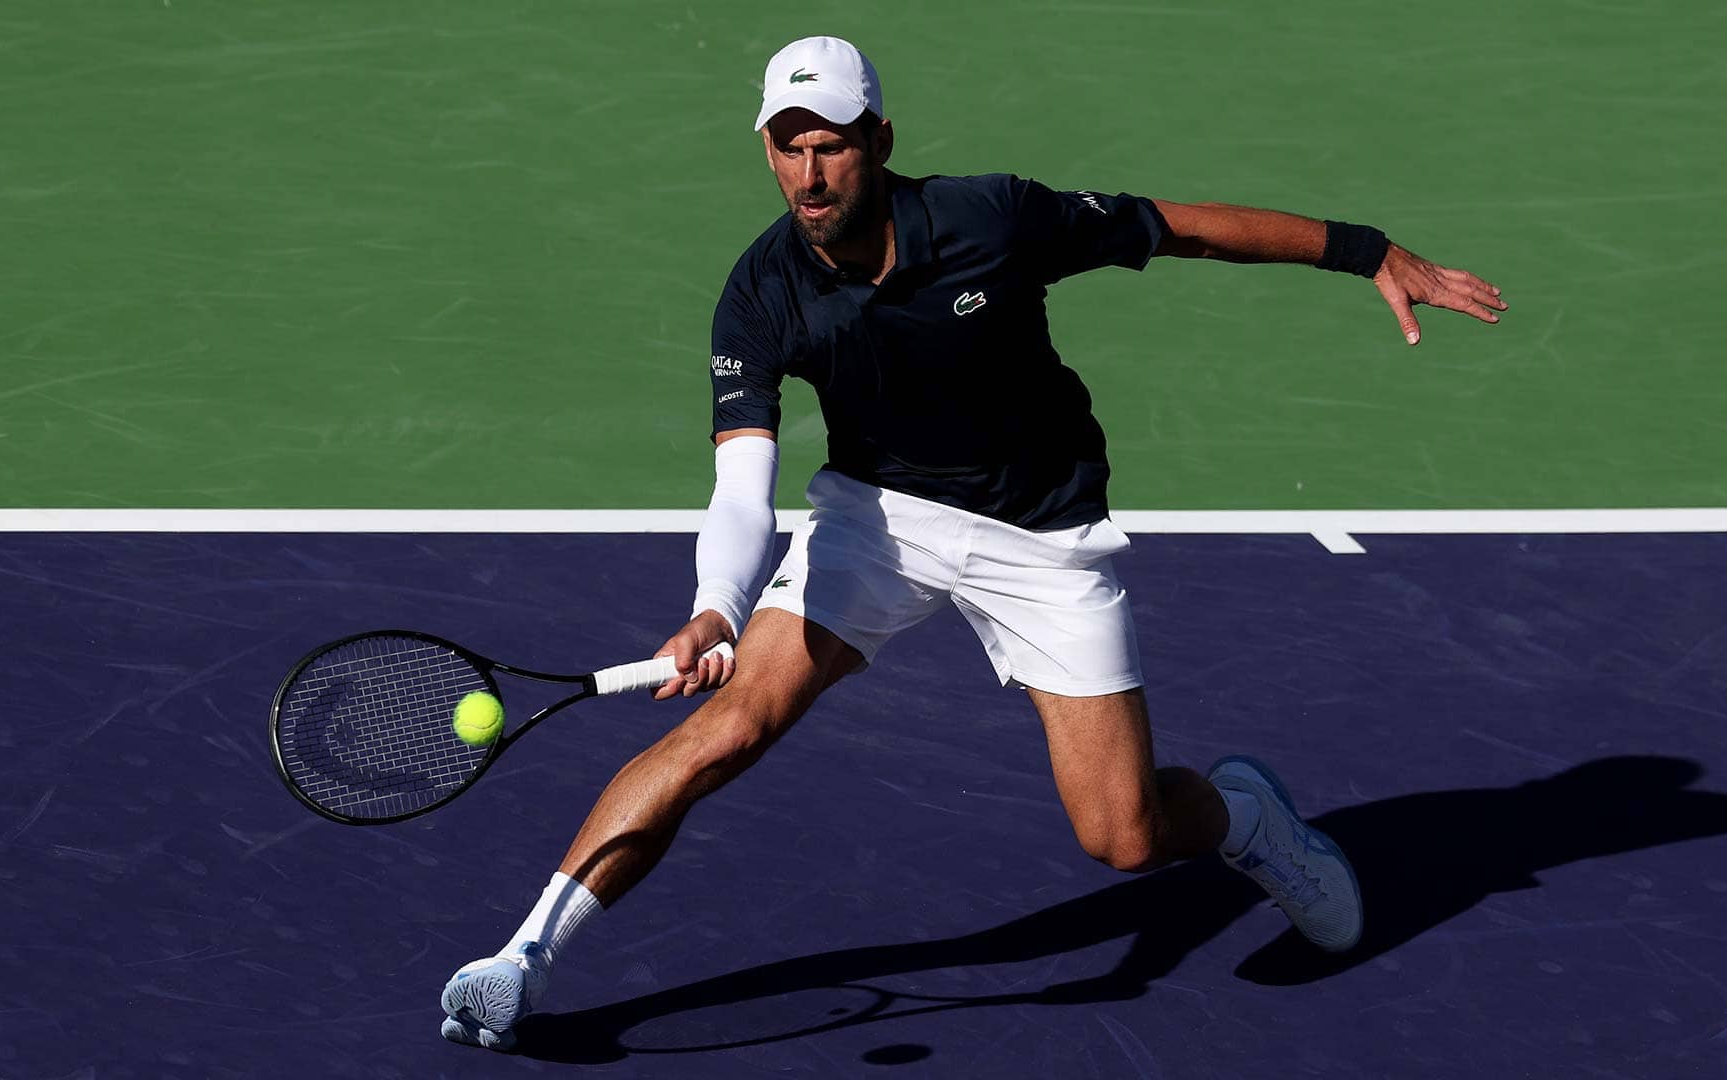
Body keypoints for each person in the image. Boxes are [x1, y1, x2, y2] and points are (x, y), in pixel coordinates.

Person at [441, 35, 1506, 1052]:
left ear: (881, 141)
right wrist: (719, 601)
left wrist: (1366, 252)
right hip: (877, 518)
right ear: (766, 148)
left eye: (833, 143)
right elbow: (741, 487)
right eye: (789, 145)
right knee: (730, 729)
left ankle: (1243, 820)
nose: (810, 173)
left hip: (1044, 535)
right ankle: (523, 960)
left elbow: (1175, 226)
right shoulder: (759, 293)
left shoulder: (991, 220)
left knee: (1123, 837)